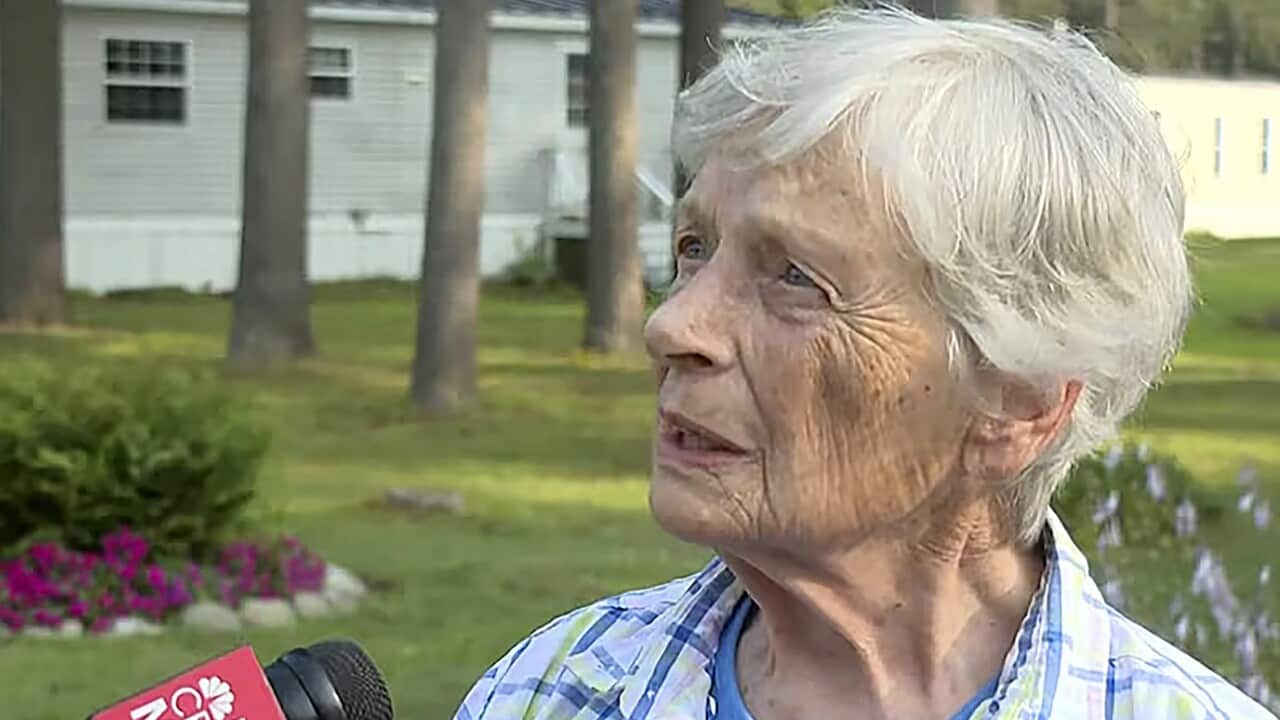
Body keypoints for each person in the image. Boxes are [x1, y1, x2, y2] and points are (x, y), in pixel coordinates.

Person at [453, 7, 1276, 720]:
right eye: (694, 248)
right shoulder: (553, 690)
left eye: (796, 279)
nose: (674, 325)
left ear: (1018, 400)